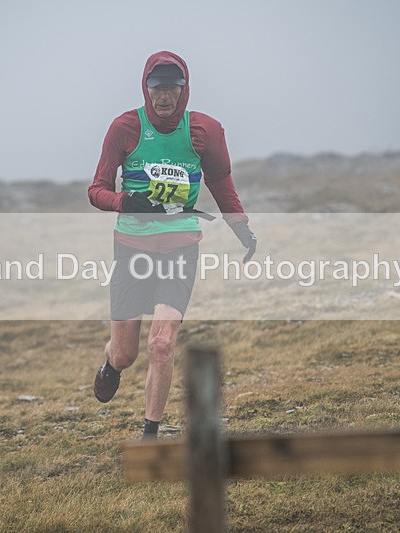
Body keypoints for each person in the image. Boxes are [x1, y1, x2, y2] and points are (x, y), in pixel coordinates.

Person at [88, 51, 255, 437]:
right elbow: (96, 190)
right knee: (127, 352)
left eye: (172, 89)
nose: (165, 98)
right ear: (146, 88)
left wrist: (241, 227)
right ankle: (111, 364)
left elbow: (221, 181)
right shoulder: (125, 128)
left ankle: (150, 433)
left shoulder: (205, 131)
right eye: (157, 88)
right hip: (132, 249)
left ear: (185, 90)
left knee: (162, 344)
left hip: (181, 249)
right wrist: (124, 201)